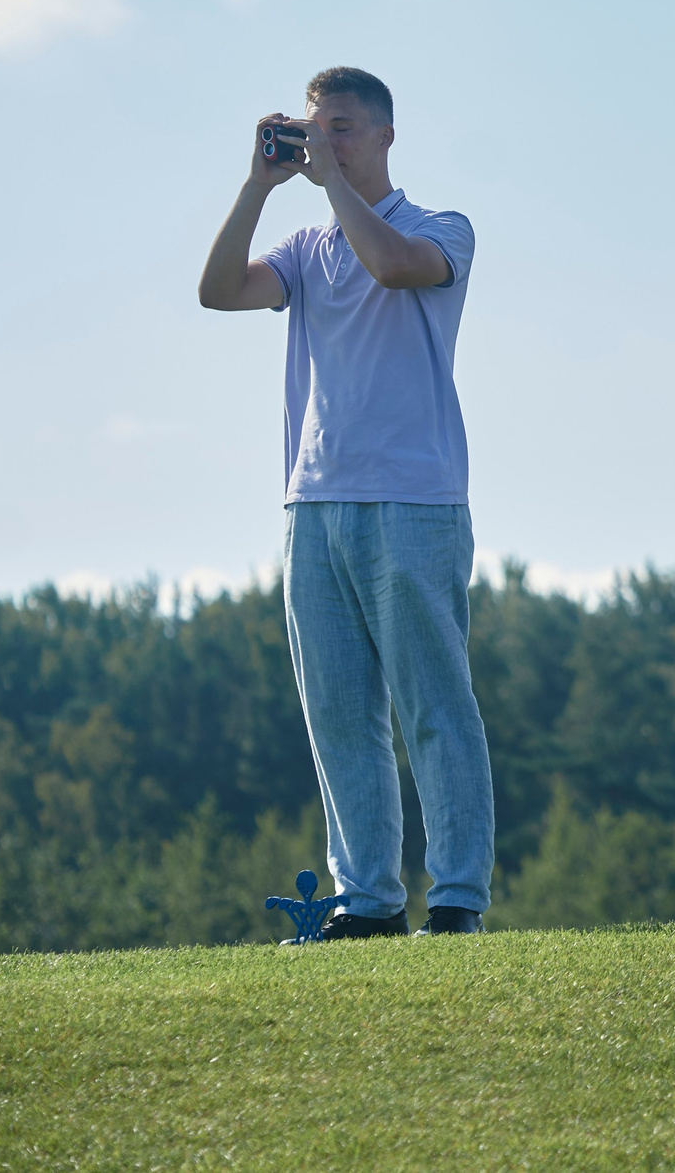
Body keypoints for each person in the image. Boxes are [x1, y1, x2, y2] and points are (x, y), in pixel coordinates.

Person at [197, 67, 495, 939]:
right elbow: (216, 289)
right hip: (313, 504)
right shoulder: (302, 248)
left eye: (346, 129)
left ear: (387, 136)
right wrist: (259, 183)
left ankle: (456, 900)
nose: (327, 142)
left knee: (434, 707)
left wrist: (327, 183)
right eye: (315, 128)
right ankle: (367, 902)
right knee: (338, 715)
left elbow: (395, 266)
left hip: (413, 501)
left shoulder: (441, 228)